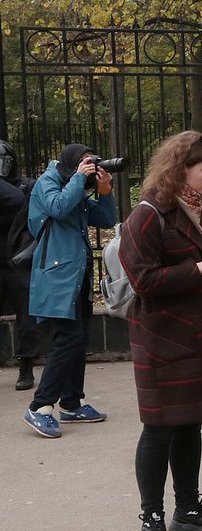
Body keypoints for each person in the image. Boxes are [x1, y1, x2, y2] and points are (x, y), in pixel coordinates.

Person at [117, 131, 202, 531]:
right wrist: (201, 267)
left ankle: (187, 509)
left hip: (195, 335)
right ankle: (151, 518)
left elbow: (193, 268)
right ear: (180, 169)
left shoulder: (196, 212)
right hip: (160, 339)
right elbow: (144, 281)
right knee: (158, 429)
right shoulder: (147, 214)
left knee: (191, 422)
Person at [21, 143, 118, 438]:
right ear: (71, 164)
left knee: (79, 339)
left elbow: (104, 219)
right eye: (84, 164)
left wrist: (103, 190)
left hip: (77, 275)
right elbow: (59, 208)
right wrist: (78, 178)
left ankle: (72, 403)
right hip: (56, 276)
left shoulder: (72, 184)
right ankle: (40, 407)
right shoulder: (47, 182)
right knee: (67, 340)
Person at [0, 140, 43, 390]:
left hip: (19, 262)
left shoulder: (25, 188)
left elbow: (38, 221)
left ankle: (26, 365)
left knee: (27, 316)